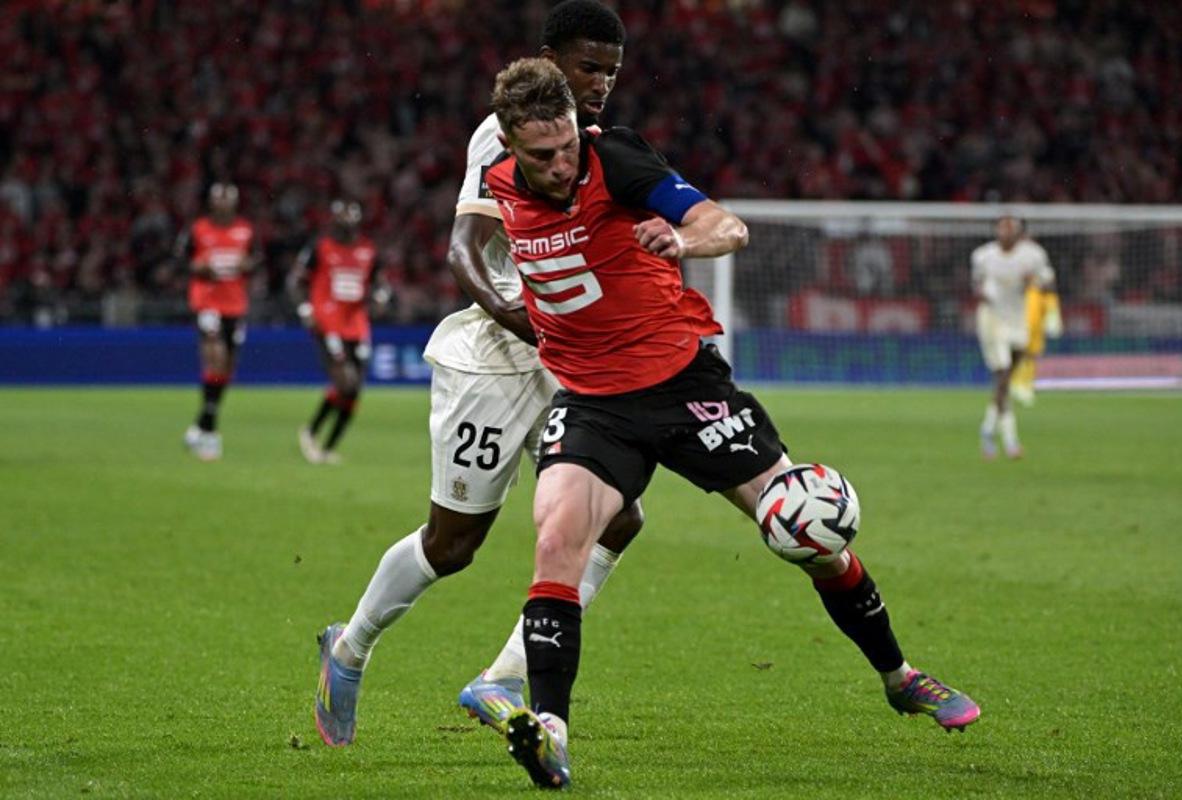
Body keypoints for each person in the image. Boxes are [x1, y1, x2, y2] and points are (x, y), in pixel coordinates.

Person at [482, 58, 980, 790]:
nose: (559, 167)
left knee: (806, 533)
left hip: (685, 386)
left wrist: (684, 242)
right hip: (593, 404)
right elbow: (473, 235)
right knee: (556, 538)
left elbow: (726, 224)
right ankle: (551, 730)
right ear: (508, 146)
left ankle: (901, 676)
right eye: (541, 156)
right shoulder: (494, 181)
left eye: (565, 149)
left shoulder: (615, 158)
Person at [313, 0, 644, 748]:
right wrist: (512, 312)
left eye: (612, 72)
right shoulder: (500, 137)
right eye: (588, 67)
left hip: (568, 360)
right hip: (493, 359)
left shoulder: (593, 143)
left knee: (618, 515)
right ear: (550, 58)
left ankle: (500, 677)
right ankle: (349, 648)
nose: (601, 83)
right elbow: (464, 246)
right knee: (453, 544)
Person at [290, 199, 387, 464]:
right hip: (327, 322)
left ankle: (328, 446)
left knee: (354, 388)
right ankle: (311, 432)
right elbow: (296, 280)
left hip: (356, 324)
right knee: (345, 380)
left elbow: (380, 283)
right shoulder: (320, 248)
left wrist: (381, 296)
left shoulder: (368, 250)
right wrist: (305, 309)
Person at [178, 183, 258, 461]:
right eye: (218, 200)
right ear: (211, 203)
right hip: (207, 302)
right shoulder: (198, 229)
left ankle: (199, 425)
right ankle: (211, 435)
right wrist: (197, 269)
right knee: (215, 356)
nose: (222, 205)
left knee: (227, 369)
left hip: (234, 304)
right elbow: (182, 259)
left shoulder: (246, 230)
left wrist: (248, 266)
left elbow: (255, 260)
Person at [971, 216, 1057, 456]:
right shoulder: (983, 256)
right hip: (992, 318)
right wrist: (982, 294)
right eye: (1001, 228)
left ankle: (987, 428)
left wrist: (1035, 282)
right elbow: (975, 285)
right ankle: (1010, 440)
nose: (1005, 233)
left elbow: (1049, 284)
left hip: (1018, 319)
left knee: (1006, 379)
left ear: (1019, 234)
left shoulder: (1033, 256)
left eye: (1011, 229)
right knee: (1003, 373)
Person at [1009, 280, 1063, 406]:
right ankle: (1016, 383)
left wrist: (1053, 321)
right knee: (1020, 355)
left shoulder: (1044, 296)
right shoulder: (1025, 292)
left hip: (1036, 330)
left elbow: (1051, 309)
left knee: (1031, 356)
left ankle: (1025, 384)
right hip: (1021, 328)